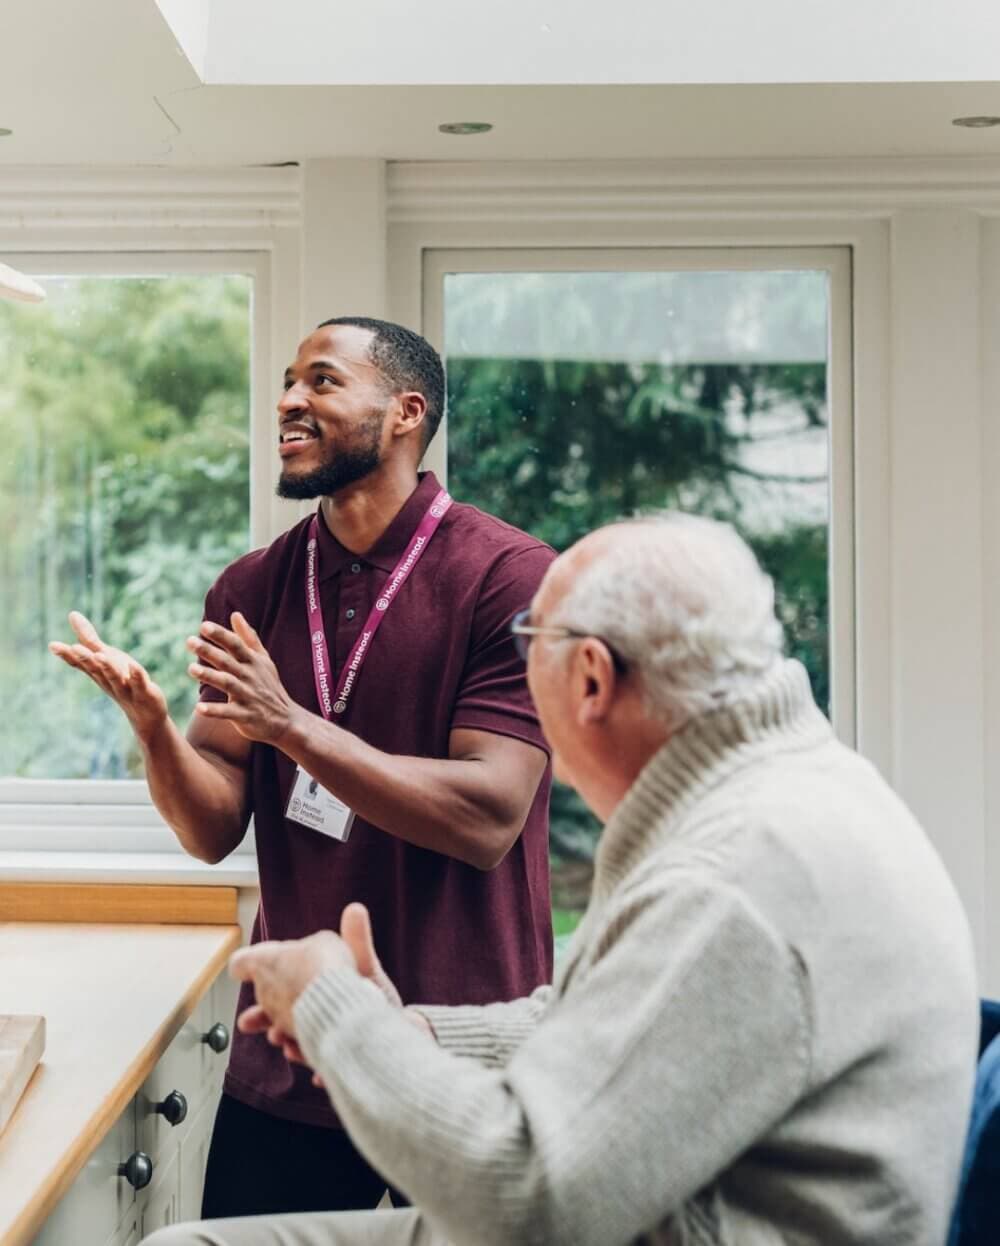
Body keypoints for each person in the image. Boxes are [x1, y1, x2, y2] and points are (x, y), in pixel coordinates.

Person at [146, 512, 979, 1246]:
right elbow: (633, 1020)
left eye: (526, 648)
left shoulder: (729, 877)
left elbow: (524, 1203)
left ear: (588, 678)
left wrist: (338, 1012)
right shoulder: (791, 791)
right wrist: (423, 1035)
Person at [50, 317, 555, 1217]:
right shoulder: (251, 588)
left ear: (405, 412)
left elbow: (488, 818)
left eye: (322, 381)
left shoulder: (510, 576)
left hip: (459, 1061)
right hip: (288, 1064)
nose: (288, 400)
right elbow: (211, 829)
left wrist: (292, 725)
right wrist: (157, 731)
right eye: (287, 381)